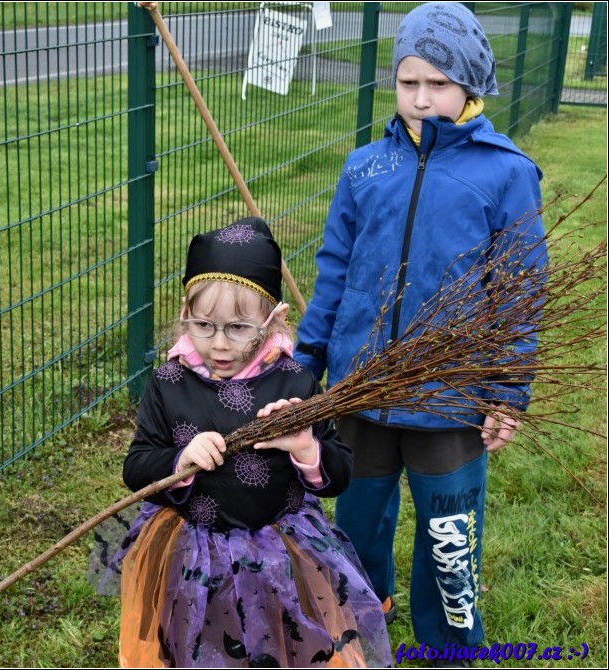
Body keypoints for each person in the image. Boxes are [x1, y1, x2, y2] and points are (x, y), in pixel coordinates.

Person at [294, 2, 547, 664]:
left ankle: (448, 647)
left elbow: (519, 295)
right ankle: (359, 627)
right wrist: (307, 362)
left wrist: (507, 389)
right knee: (357, 528)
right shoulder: (364, 169)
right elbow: (333, 274)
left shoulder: (506, 173)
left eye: (438, 83)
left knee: (448, 537)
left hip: (449, 402)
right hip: (363, 393)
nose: (422, 98)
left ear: (470, 84)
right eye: (409, 82)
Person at [89, 217, 391, 668]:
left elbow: (339, 473)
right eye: (203, 326)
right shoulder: (170, 382)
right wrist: (178, 460)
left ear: (273, 321)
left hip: (281, 555)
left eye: (237, 328)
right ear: (185, 314)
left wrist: (307, 449)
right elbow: (136, 466)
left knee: (284, 643)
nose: (218, 345)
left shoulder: (295, 382)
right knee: (199, 642)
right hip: (193, 554)